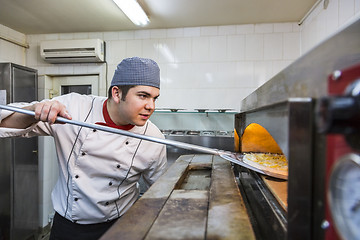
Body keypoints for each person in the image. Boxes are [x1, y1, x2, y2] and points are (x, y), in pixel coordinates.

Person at [0, 57, 167, 239]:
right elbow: (5, 124)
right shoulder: (73, 109)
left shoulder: (154, 139)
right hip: (68, 226)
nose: (151, 106)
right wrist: (35, 111)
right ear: (117, 93)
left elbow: (159, 191)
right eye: (143, 96)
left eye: (154, 98)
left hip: (121, 224)